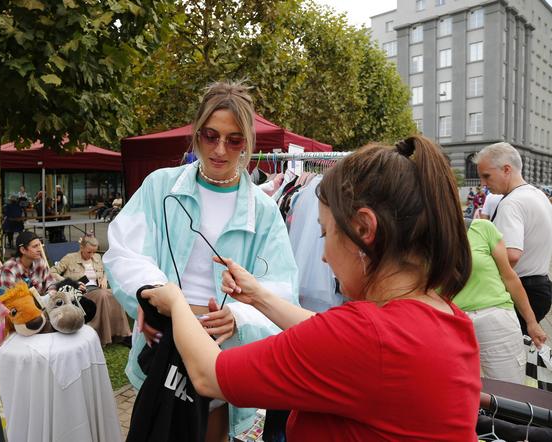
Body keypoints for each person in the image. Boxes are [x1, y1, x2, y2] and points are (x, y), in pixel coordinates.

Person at [142, 135, 481, 440]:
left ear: (363, 228)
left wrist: (176, 302)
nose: (322, 256)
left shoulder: (366, 334)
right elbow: (332, 341)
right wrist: (259, 296)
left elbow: (208, 375)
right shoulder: (444, 315)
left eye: (325, 232)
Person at [103, 81, 299, 441]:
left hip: (220, 352)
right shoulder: (160, 187)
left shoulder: (264, 210)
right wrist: (149, 298)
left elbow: (283, 289)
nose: (220, 149)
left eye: (234, 139)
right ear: (196, 133)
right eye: (210, 135)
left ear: (248, 143)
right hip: (160, 341)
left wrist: (239, 317)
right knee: (156, 428)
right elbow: (124, 250)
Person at [454, 218, 547, 384]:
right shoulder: (415, 239)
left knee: (511, 393)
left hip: (495, 321)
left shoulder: (481, 228)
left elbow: (509, 277)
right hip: (448, 323)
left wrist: (532, 322)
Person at [475, 142, 552, 333]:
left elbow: (511, 255)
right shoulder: (537, 194)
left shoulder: (512, 202)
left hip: (522, 290)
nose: (483, 184)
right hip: (540, 286)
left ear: (506, 169)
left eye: (487, 176)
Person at [50, 235, 131, 346]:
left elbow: (106, 269)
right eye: (89, 252)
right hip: (82, 292)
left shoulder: (97, 257)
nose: (92, 255)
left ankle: (122, 334)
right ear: (81, 247)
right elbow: (52, 272)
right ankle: (101, 335)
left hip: (98, 288)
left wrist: (104, 278)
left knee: (115, 294)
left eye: (94, 252)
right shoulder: (70, 258)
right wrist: (72, 283)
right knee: (103, 295)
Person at [0, 231, 56, 297]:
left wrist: (49, 295)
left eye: (40, 245)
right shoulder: (8, 269)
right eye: (35, 246)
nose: (40, 249)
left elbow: (51, 284)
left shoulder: (40, 262)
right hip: (16, 306)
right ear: (23, 250)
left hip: (42, 304)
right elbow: (5, 300)